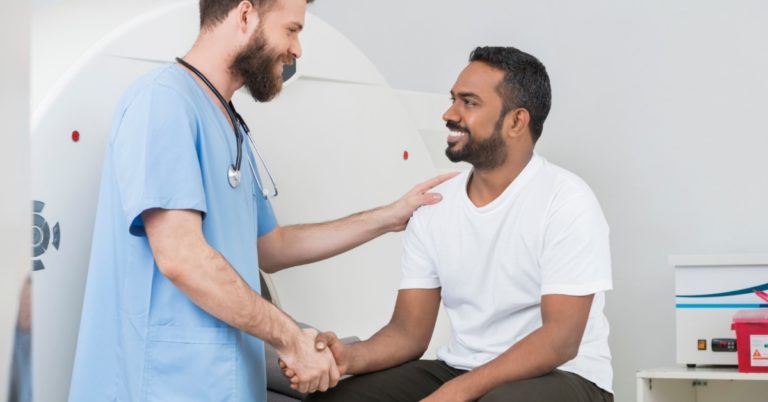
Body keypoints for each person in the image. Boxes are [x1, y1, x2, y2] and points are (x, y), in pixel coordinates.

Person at [67, 1, 455, 401]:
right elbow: (181, 256)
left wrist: (387, 217)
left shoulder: (228, 122)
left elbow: (270, 247)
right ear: (246, 15)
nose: (297, 50)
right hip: (161, 383)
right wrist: (290, 339)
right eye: (291, 30)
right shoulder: (164, 102)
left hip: (224, 383)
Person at [295, 46, 614, 402]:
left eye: (469, 102)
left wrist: (459, 392)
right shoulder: (436, 204)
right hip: (461, 366)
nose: (450, 113)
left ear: (516, 121)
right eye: (453, 100)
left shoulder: (566, 201)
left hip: (567, 376)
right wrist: (348, 357)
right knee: (337, 399)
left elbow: (561, 340)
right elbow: (408, 333)